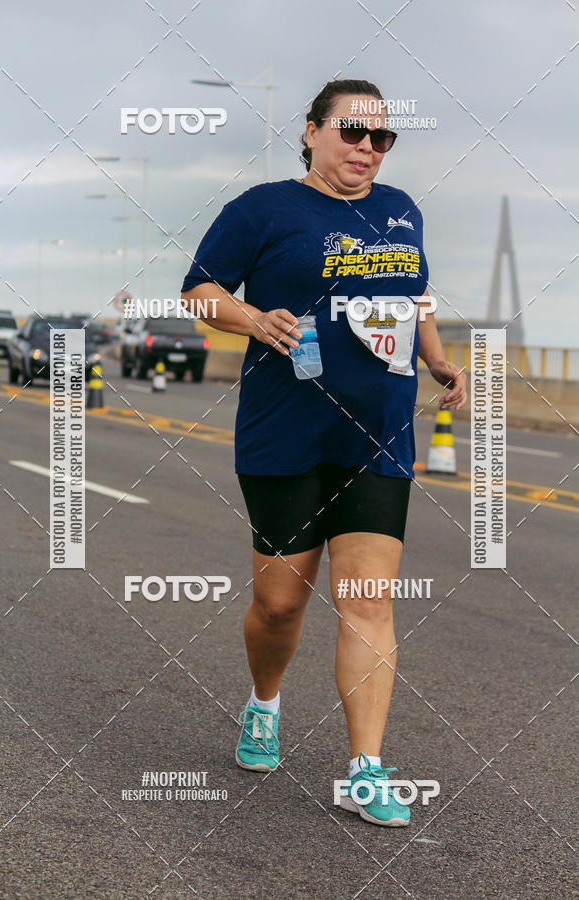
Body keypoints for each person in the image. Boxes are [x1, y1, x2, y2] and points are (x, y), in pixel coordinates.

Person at [182, 78, 467, 827]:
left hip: (378, 433)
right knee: (279, 605)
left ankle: (366, 769)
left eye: (381, 138)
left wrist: (437, 357)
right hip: (286, 433)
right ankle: (264, 701)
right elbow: (199, 292)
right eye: (352, 132)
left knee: (368, 600)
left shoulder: (401, 210)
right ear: (311, 132)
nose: (367, 149)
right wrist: (252, 318)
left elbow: (416, 296)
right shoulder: (263, 209)